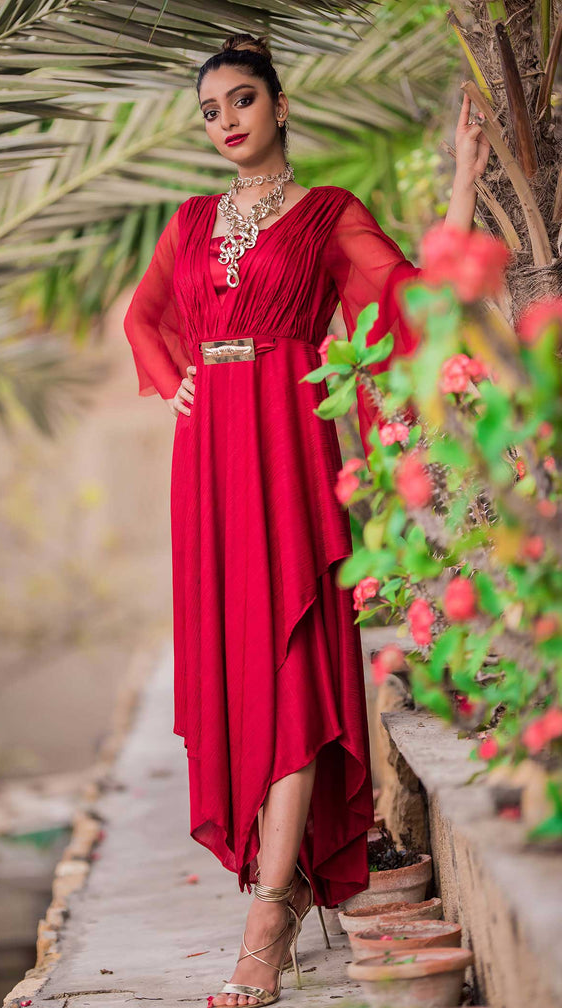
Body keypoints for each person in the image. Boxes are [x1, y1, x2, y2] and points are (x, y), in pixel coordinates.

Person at [123, 32, 490, 1008]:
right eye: (210, 110)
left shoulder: (328, 214)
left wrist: (461, 183)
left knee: (291, 669)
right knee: (242, 672)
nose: (226, 122)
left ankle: (269, 916)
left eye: (242, 101)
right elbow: (143, 317)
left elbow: (407, 295)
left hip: (289, 448)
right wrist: (175, 381)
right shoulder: (192, 221)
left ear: (280, 107)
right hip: (208, 468)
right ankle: (272, 898)